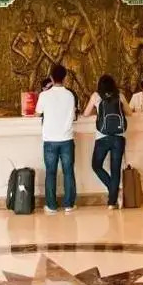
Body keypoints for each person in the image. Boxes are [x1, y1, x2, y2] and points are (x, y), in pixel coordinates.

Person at [83, 74, 132, 210]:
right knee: (115, 170)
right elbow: (129, 113)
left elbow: (85, 113)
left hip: (102, 137)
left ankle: (113, 192)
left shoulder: (96, 96)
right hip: (119, 137)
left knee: (96, 165)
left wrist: (97, 111)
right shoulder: (120, 95)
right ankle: (112, 201)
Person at [35, 64, 77, 214]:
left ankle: (51, 206)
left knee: (50, 172)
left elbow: (37, 113)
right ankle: (69, 205)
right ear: (65, 78)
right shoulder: (70, 95)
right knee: (68, 172)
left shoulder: (44, 95)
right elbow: (73, 115)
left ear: (51, 77)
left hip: (50, 139)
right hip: (67, 139)